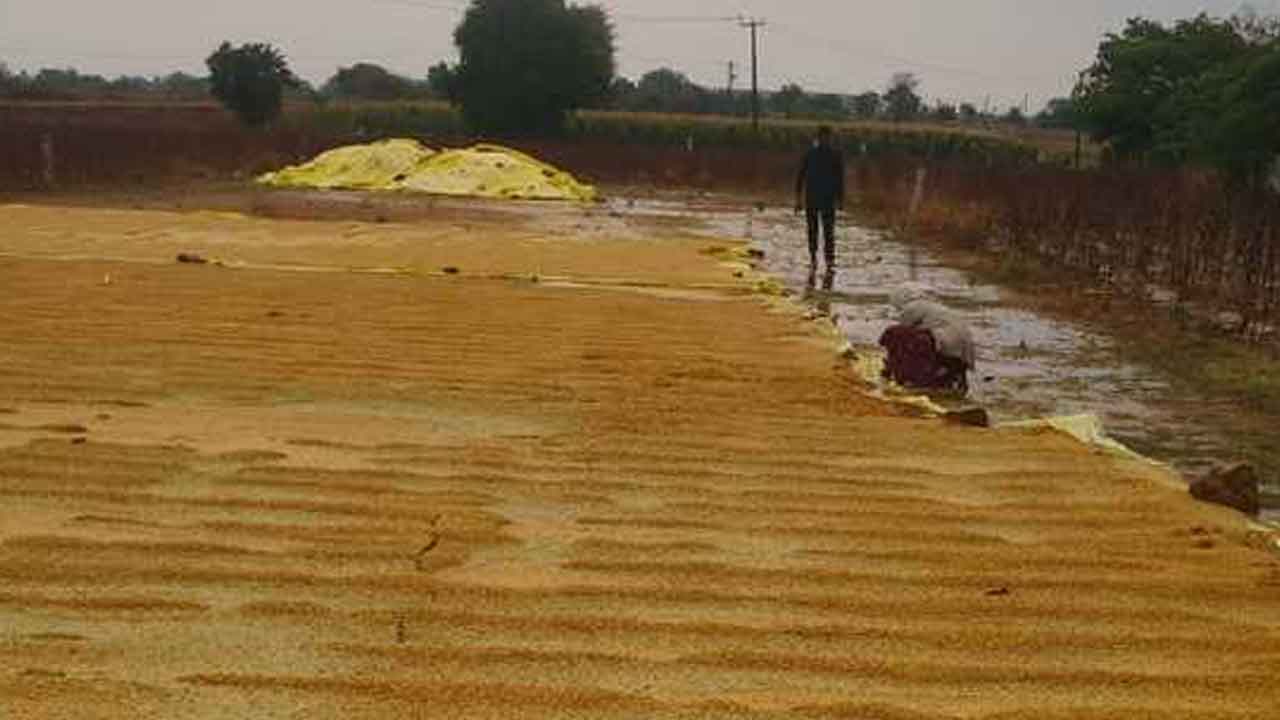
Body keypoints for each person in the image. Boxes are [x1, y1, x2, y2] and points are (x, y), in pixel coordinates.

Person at [880, 287, 975, 393]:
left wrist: (888, 370)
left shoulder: (911, 308)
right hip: (963, 352)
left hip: (946, 344)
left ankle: (917, 379)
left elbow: (900, 338)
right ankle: (945, 376)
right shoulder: (934, 306)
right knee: (919, 338)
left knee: (895, 333)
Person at [795, 125, 845, 272]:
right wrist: (798, 199)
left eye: (828, 137)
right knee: (812, 230)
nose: (825, 140)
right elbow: (800, 177)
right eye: (823, 137)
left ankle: (829, 260)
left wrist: (840, 199)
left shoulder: (836, 155)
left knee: (829, 231)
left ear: (830, 138)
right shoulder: (810, 154)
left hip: (828, 199)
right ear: (818, 138)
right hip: (811, 197)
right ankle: (813, 258)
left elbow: (840, 179)